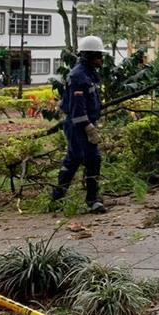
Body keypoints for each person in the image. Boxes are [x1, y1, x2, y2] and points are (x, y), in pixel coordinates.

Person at [51, 36, 107, 214]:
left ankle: (57, 197)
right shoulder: (78, 76)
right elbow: (77, 110)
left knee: (73, 159)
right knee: (92, 159)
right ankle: (92, 201)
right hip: (78, 126)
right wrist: (89, 128)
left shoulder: (89, 73)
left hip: (82, 124)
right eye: (99, 55)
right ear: (89, 56)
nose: (102, 59)